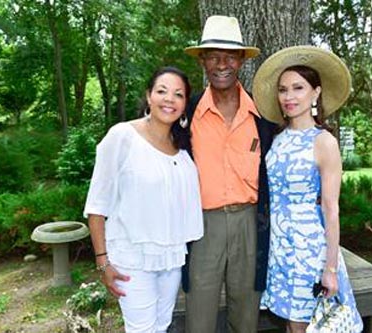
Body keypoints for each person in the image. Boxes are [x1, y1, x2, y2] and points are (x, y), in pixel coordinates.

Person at [252, 46, 363, 333]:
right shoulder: (276, 139)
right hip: (279, 248)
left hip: (308, 250)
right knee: (292, 324)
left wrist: (330, 268)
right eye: (283, 89)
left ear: (315, 93)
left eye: (298, 88)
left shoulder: (324, 142)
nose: (289, 97)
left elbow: (331, 208)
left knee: (304, 326)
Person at [84, 66, 204, 333]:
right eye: (161, 91)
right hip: (132, 257)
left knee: (161, 326)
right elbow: (96, 206)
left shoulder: (182, 148)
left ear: (185, 105)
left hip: (171, 257)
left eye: (178, 94)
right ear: (149, 96)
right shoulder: (122, 136)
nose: (169, 99)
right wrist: (103, 262)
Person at [182, 15, 276, 333]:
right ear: (203, 61)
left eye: (230, 55)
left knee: (246, 315)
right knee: (199, 317)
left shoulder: (264, 116)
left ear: (241, 61)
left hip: (250, 223)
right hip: (202, 227)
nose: (221, 63)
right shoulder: (186, 113)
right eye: (213, 55)